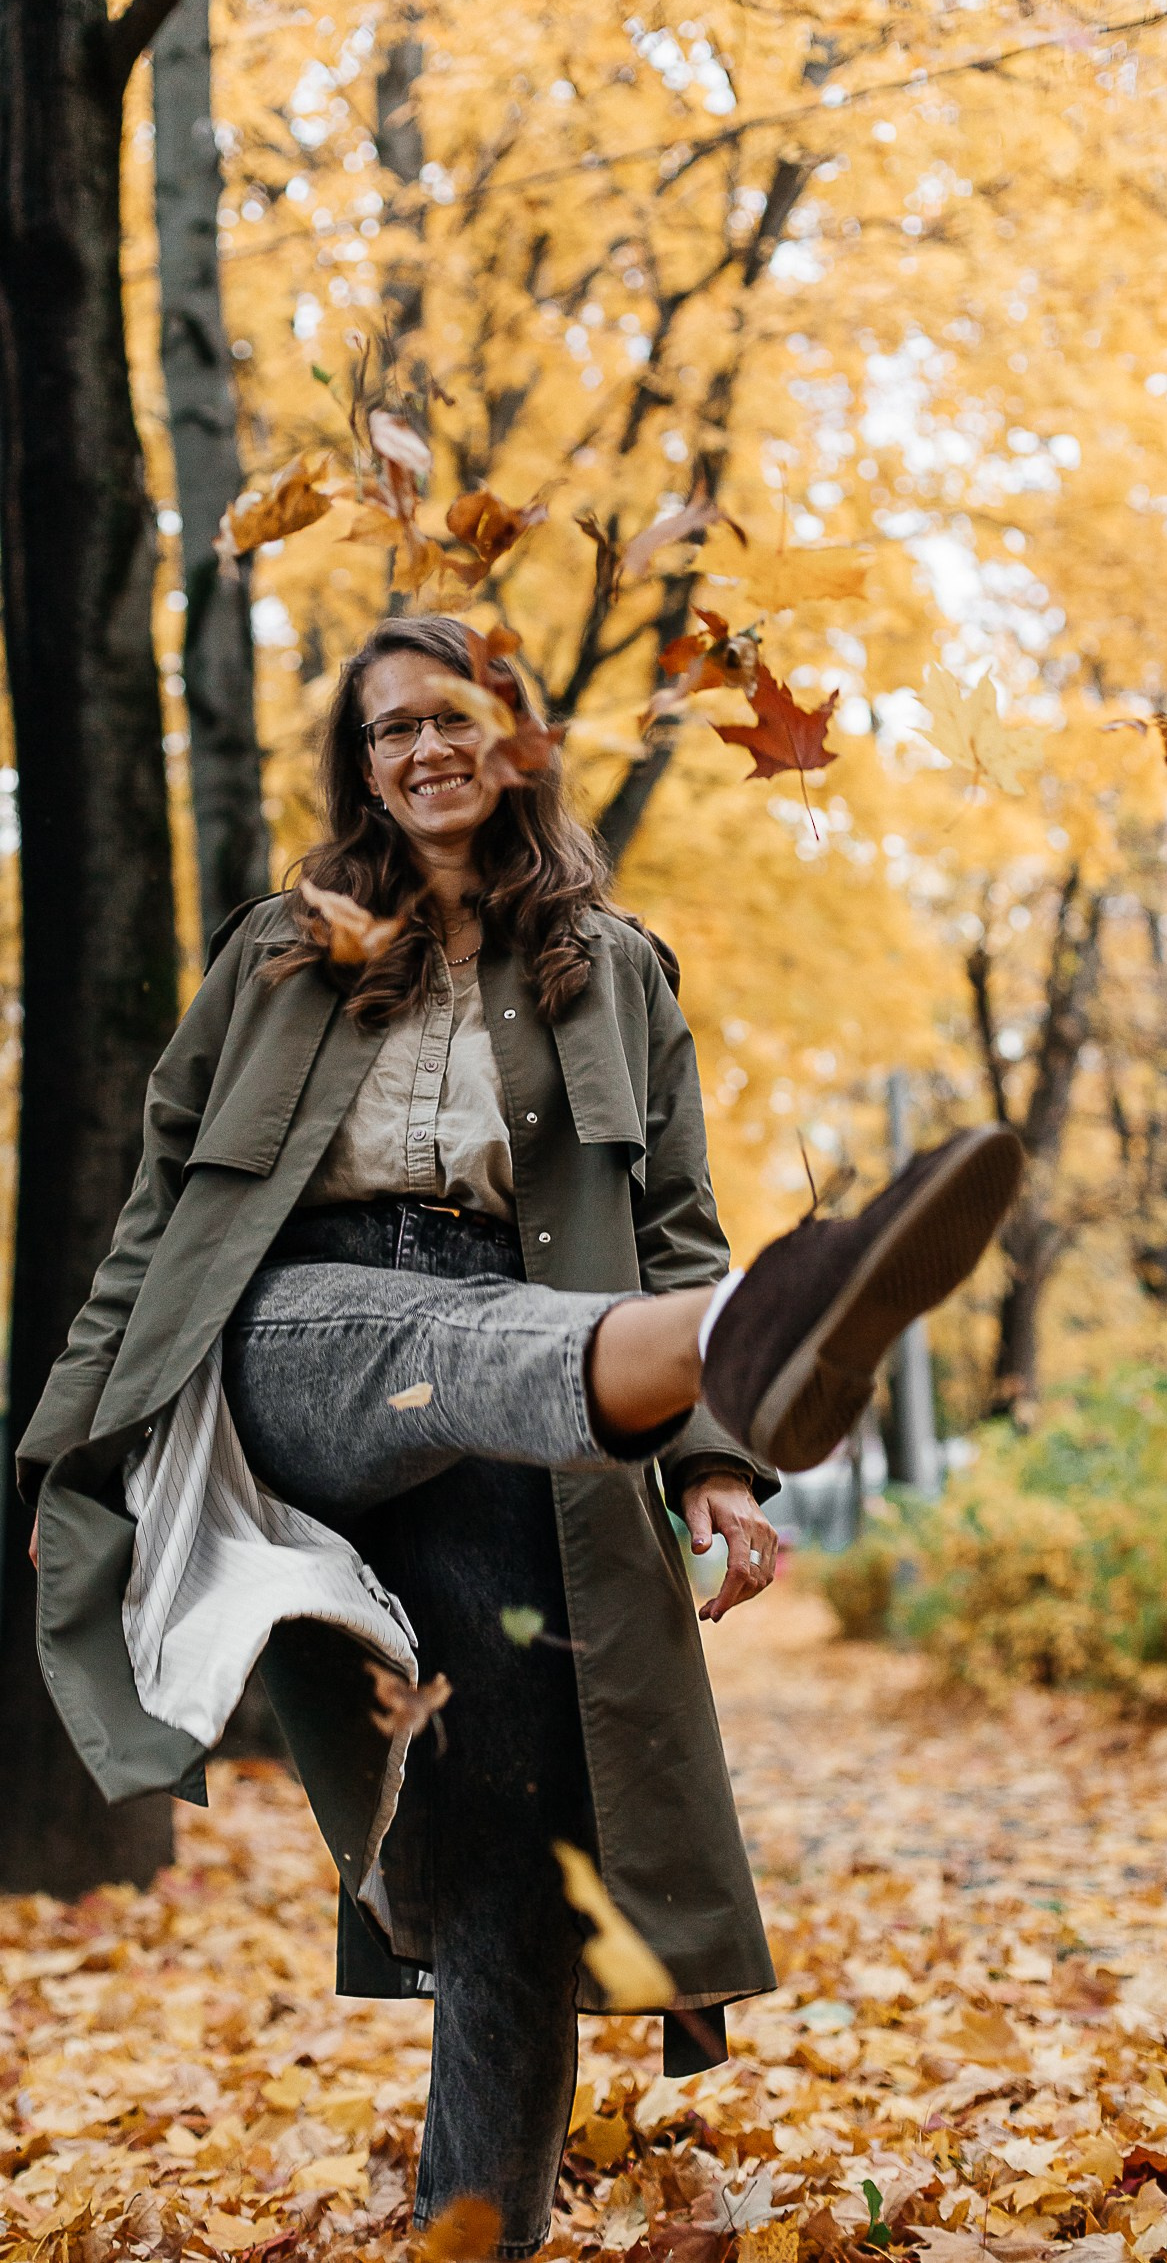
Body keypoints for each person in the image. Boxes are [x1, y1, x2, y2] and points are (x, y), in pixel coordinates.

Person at [19, 614, 1021, 2256]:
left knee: (511, 1848)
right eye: (389, 729)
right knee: (408, 1330)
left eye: (456, 719)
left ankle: (470, 2225)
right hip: (295, 1352)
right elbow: (157, 1214)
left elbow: (675, 1215)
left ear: (517, 737)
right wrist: (76, 1445)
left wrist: (706, 1466)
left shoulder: (614, 967)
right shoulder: (281, 947)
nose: (425, 750)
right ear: (361, 764)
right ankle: (747, 1336)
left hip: (529, 1413)